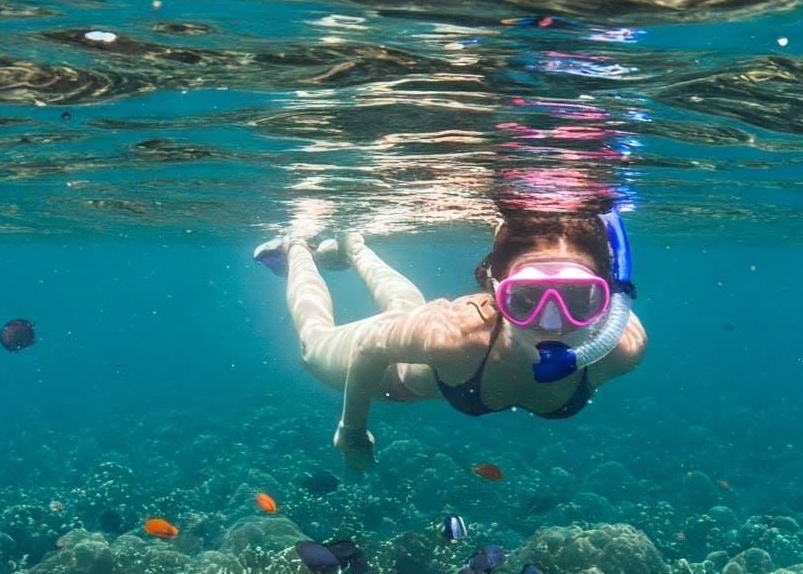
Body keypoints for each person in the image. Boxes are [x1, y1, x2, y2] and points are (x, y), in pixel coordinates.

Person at [258, 194, 645, 469]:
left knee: (405, 311)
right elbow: (371, 348)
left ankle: (352, 245)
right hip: (395, 378)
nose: (550, 321)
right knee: (314, 346)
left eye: (579, 299)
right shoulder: (453, 336)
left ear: (610, 298)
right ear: (495, 290)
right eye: (524, 298)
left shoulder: (620, 347)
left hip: (426, 344)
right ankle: (297, 247)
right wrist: (352, 431)